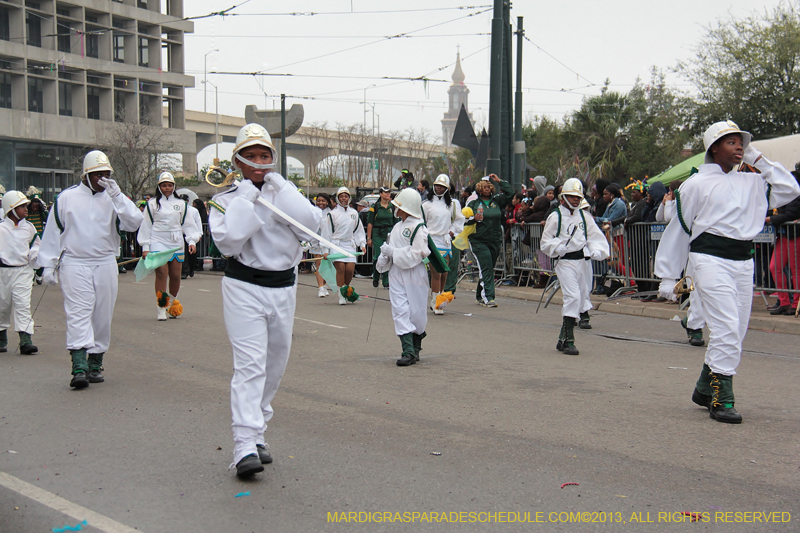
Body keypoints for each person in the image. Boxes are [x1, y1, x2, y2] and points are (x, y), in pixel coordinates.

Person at [655, 120, 800, 424]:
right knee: (725, 327)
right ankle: (722, 397)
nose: (738, 147)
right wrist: (668, 277)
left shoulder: (752, 182)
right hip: (709, 259)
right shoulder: (695, 184)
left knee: (738, 329)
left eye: (741, 142)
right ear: (714, 148)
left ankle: (704, 387)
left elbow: (790, 189)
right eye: (731, 142)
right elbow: (679, 230)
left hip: (743, 261)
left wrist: (756, 158)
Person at [208, 123, 321, 478]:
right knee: (250, 365)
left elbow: (310, 227)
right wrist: (245, 199)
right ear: (238, 161)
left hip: (284, 288)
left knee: (275, 366)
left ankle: (256, 431)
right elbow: (228, 243)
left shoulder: (284, 192)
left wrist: (281, 189)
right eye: (251, 156)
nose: (258, 162)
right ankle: (243, 445)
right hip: (244, 286)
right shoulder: (225, 199)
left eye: (264, 155)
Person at [38, 150, 143, 388]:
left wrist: (118, 198)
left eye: (106, 174)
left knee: (102, 315)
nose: (102, 179)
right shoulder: (66, 198)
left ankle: (96, 362)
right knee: (78, 312)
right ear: (86, 175)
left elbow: (134, 222)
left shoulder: (115, 197)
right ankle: (79, 365)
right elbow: (53, 232)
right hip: (74, 263)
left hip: (105, 262)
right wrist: (48, 264)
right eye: (97, 174)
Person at [541, 179, 609, 355]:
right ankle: (569, 340)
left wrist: (596, 251)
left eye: (578, 197)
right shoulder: (555, 216)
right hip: (565, 262)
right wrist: (557, 247)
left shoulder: (585, 217)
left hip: (582, 262)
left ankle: (562, 339)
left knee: (580, 298)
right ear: (564, 197)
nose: (576, 200)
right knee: (572, 297)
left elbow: (595, 237)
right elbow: (545, 242)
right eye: (572, 196)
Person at [375, 188, 430, 366]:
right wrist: (385, 255)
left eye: (398, 205)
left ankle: (416, 348)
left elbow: (416, 254)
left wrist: (394, 252)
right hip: (397, 272)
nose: (395, 208)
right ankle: (407, 350)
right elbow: (390, 249)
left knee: (416, 312)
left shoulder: (420, 228)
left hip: (414, 273)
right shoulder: (397, 226)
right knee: (400, 310)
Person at [137, 172, 201, 321]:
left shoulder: (181, 204)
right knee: (161, 273)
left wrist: (191, 241)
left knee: (176, 275)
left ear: (174, 187)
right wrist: (146, 247)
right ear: (159, 186)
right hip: (158, 241)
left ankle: (173, 303)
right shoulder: (152, 204)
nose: (167, 188)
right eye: (164, 185)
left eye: (170, 185)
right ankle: (161, 306)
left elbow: (189, 224)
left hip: (176, 242)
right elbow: (146, 225)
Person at [464, 174, 514, 307]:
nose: (487, 189)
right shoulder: (473, 203)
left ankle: (480, 294)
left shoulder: (496, 201)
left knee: (488, 267)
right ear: (479, 189)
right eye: (484, 187)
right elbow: (464, 220)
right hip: (478, 240)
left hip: (495, 239)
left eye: (489, 187)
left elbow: (511, 193)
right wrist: (474, 218)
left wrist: (500, 181)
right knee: (486, 267)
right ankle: (489, 298)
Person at [0, 191, 41, 355]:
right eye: (22, 206)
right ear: (11, 208)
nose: (26, 209)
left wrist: (35, 253)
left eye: (26, 206)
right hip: (3, 272)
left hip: (23, 271)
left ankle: (26, 340)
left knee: (23, 304)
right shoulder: (1, 228)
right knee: (2, 306)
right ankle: (2, 337)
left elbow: (36, 244)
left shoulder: (29, 227)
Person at [422, 174, 465, 314]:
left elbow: (459, 220)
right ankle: (436, 301)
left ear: (447, 188)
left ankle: (438, 299)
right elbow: (421, 223)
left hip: (445, 241)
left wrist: (452, 232)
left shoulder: (453, 204)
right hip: (432, 241)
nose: (438, 188)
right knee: (436, 272)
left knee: (444, 272)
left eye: (442, 186)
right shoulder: (426, 204)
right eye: (436, 186)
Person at [320, 187, 366, 305]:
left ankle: (347, 289)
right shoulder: (332, 214)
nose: (343, 198)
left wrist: (362, 244)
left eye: (346, 196)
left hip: (349, 244)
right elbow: (327, 232)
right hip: (336, 244)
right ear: (337, 198)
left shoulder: (354, 213)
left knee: (350, 270)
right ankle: (341, 294)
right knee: (340, 269)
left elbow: (358, 230)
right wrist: (325, 249)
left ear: (349, 198)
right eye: (341, 196)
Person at [766, 171, 800, 315]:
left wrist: (771, 219)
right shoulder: (785, 195)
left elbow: (791, 214)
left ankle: (795, 303)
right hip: (785, 234)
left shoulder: (794, 195)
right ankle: (785, 302)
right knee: (775, 267)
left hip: (794, 234)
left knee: (795, 270)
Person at [366, 187, 397, 289]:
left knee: (388, 256)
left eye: (389, 193)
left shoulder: (392, 207)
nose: (388, 194)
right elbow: (370, 223)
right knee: (378, 256)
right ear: (380, 194)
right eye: (386, 192)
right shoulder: (375, 207)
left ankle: (386, 280)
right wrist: (369, 238)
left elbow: (396, 223)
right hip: (377, 233)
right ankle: (376, 276)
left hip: (389, 233)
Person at [310, 193, 333, 297]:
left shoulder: (331, 213)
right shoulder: (313, 212)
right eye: (319, 200)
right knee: (319, 264)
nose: (321, 203)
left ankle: (324, 285)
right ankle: (320, 288)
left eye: (323, 200)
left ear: (327, 202)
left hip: (328, 242)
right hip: (316, 242)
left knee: (326, 265)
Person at [24, 187, 47, 284]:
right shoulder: (27, 213)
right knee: (30, 257)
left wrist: (44, 210)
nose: (35, 207)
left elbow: (48, 219)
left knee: (41, 257)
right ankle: (32, 277)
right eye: (34, 205)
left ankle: (39, 274)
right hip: (30, 238)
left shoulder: (41, 213)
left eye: (37, 205)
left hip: (40, 237)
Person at [180, 195, 203, 279]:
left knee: (192, 253)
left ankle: (192, 268)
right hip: (181, 234)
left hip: (192, 234)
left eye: (184, 200)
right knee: (184, 253)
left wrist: (199, 233)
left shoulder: (194, 211)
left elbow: (198, 222)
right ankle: (184, 271)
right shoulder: (178, 210)